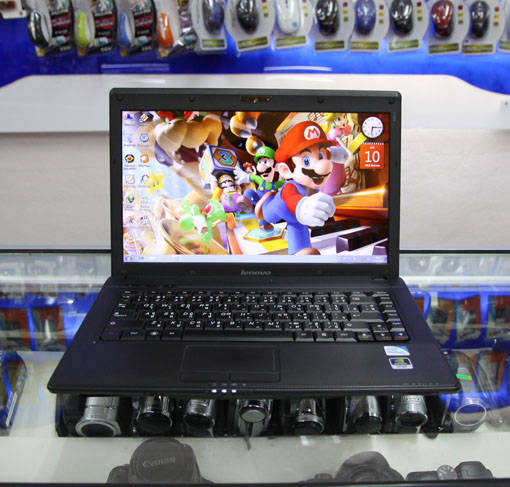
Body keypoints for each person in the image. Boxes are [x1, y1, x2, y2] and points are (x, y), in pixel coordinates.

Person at [255, 121, 338, 255]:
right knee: (272, 216)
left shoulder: (312, 186)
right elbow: (292, 200)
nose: (322, 165)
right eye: (306, 160)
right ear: (286, 170)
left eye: (321, 156)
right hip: (278, 210)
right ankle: (264, 208)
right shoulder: (289, 187)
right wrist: (304, 206)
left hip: (296, 216)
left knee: (298, 223)